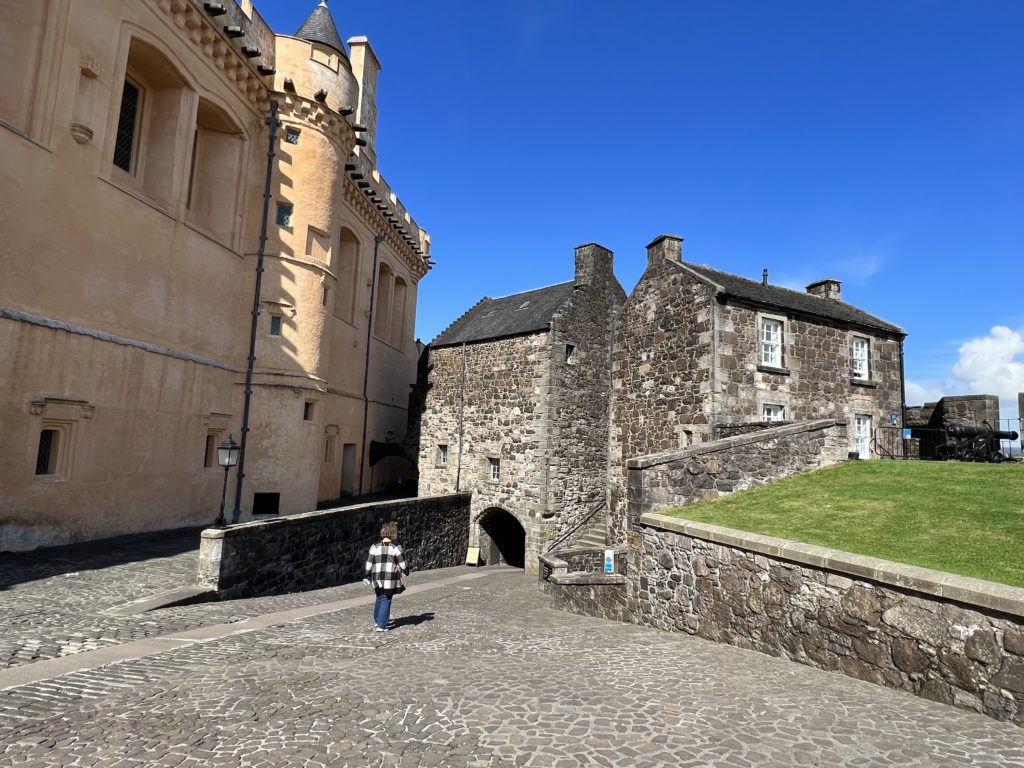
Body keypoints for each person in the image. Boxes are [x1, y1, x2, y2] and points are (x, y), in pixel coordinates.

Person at [364, 521, 408, 632]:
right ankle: (381, 625)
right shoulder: (396, 546)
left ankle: (377, 620)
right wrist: (406, 570)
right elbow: (402, 562)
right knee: (386, 599)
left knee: (379, 597)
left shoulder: (374, 546)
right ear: (393, 533)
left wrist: (366, 574)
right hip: (389, 577)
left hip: (376, 576)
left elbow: (369, 563)